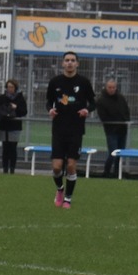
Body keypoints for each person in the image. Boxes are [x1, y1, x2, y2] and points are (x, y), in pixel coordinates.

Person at [45, 51, 93, 207]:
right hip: (59, 129)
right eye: (67, 60)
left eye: (72, 60)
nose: (70, 63)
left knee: (71, 165)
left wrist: (87, 110)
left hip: (76, 130)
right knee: (56, 167)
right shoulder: (55, 82)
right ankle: (60, 189)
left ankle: (68, 199)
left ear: (77, 63)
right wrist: (50, 110)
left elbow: (93, 102)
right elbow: (48, 102)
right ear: (62, 63)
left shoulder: (84, 82)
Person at [96, 75, 131, 176]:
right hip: (111, 131)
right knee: (113, 153)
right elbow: (103, 117)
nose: (111, 89)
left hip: (122, 130)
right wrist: (115, 122)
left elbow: (126, 111)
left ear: (116, 87)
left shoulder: (121, 98)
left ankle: (117, 173)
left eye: (113, 87)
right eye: (109, 87)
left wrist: (125, 121)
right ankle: (106, 171)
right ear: (106, 87)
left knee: (120, 153)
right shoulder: (101, 100)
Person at [0, 78, 28, 174]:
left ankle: (12, 169)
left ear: (15, 88)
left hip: (15, 126)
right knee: (5, 148)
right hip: (4, 125)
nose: (10, 89)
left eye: (12, 87)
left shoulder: (19, 98)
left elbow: (24, 111)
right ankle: (5, 168)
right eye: (8, 87)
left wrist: (16, 108)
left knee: (13, 148)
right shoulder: (2, 97)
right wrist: (4, 112)